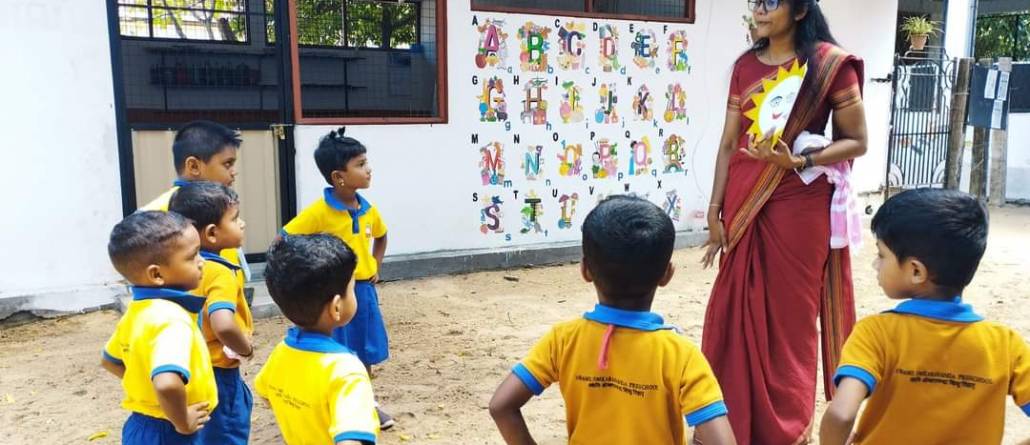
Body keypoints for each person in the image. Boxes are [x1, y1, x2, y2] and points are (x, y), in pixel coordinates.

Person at [699, 0, 868, 442]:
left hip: (799, 205)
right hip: (743, 201)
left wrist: (800, 159)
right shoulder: (744, 66)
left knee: (791, 322)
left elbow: (857, 141)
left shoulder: (830, 65)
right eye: (755, 1)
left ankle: (786, 430)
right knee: (734, 313)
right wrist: (715, 211)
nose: (759, 9)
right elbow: (728, 143)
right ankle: (729, 428)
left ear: (798, 10)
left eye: (771, 2)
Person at [489, 196, 737, 445]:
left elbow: (501, 406)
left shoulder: (563, 339)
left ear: (585, 270)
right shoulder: (680, 355)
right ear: (666, 274)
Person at [821, 189, 1030, 444]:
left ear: (916, 271)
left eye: (881, 255)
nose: (876, 264)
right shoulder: (1006, 344)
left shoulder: (875, 332)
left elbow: (842, 414)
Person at [280, 128, 393, 429]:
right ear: (338, 176)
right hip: (335, 296)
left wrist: (375, 265)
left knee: (364, 349)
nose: (368, 169)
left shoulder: (368, 210)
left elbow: (381, 237)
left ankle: (365, 404)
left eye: (366, 162)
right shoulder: (319, 212)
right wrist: (311, 275)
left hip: (364, 293)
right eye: (360, 164)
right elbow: (285, 239)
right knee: (335, 349)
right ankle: (330, 404)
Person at [100, 211, 217, 444]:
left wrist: (148, 393)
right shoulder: (172, 319)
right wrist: (182, 420)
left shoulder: (137, 312)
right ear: (156, 274)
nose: (202, 262)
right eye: (192, 256)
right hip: (170, 432)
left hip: (141, 425)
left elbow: (110, 360)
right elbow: (166, 383)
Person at [255, 234, 379, 445]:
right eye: (352, 288)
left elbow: (265, 393)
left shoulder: (281, 352)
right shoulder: (347, 370)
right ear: (336, 307)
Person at [169, 182, 254, 444]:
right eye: (235, 218)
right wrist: (245, 348)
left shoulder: (180, 269)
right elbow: (224, 324)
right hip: (219, 372)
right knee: (227, 432)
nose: (242, 224)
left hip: (189, 367)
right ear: (213, 233)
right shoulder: (219, 272)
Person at [138, 120, 249, 280]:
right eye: (227, 164)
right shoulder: (153, 216)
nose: (234, 172)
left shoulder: (220, 203)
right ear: (194, 166)